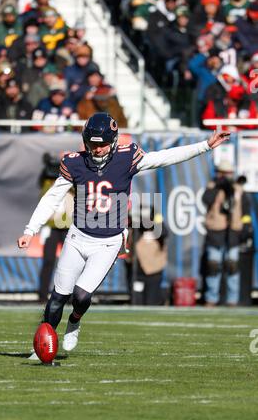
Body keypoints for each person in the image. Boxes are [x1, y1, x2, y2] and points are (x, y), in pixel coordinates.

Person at [17, 113, 230, 355]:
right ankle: (42, 345)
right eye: (93, 144)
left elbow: (164, 158)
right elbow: (52, 198)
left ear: (114, 140)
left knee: (81, 295)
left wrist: (205, 146)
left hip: (108, 242)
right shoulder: (74, 162)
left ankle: (75, 320)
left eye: (102, 144)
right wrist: (30, 229)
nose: (97, 149)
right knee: (57, 297)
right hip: (77, 237)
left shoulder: (126, 157)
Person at [202, 160, 252, 307]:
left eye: (229, 173)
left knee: (232, 266)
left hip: (233, 232)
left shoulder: (238, 190)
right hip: (216, 232)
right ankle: (211, 298)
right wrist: (218, 186)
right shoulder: (213, 186)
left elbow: (245, 211)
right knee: (213, 265)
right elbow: (206, 200)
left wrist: (246, 228)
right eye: (224, 173)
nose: (226, 176)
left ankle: (232, 300)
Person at [38, 153, 74, 304]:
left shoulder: (70, 182)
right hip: (52, 227)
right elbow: (42, 179)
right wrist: (49, 165)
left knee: (71, 262)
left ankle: (70, 295)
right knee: (48, 261)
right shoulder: (46, 182)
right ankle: (42, 294)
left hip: (66, 226)